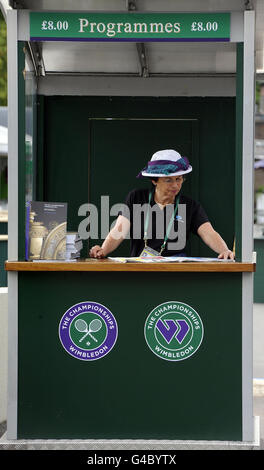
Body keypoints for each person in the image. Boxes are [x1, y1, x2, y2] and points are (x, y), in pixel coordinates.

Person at [89, 149, 234, 260]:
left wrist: (224, 250)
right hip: (140, 271)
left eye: (179, 179)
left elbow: (209, 233)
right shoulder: (136, 197)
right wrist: (104, 249)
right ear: (154, 180)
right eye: (169, 180)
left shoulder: (190, 206)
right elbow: (119, 229)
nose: (175, 185)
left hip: (175, 274)